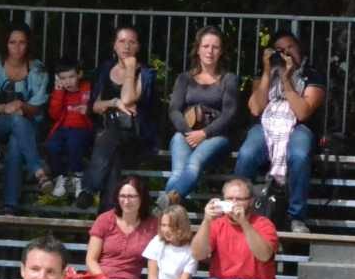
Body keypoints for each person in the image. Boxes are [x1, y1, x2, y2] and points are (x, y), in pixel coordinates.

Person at [232, 30, 326, 234]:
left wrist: (287, 80)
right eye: (280, 50)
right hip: (266, 125)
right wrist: (267, 72)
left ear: (299, 49)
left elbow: (302, 112)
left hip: (299, 126)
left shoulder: (313, 75)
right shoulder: (266, 74)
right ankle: (235, 208)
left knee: (299, 156)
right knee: (247, 153)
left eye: (290, 47)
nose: (286, 53)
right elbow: (256, 108)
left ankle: (296, 217)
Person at [172, 177, 279, 279]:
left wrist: (244, 223)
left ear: (251, 201)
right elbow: (198, 254)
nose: (234, 203)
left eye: (240, 199)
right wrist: (207, 220)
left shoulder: (263, 224)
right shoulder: (216, 223)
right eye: (229, 199)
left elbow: (264, 255)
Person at [78, 25, 160, 212]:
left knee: (109, 139)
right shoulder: (104, 70)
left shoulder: (146, 74)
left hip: (134, 136)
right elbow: (95, 106)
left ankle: (89, 189)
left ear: (138, 47)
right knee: (113, 158)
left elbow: (128, 98)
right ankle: (107, 218)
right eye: (122, 41)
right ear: (114, 45)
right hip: (107, 139)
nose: (126, 46)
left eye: (132, 42)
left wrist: (131, 69)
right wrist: (114, 102)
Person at [0, 23, 51, 213]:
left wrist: (22, 106)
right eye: (12, 42)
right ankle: (38, 171)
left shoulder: (37, 69)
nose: (17, 47)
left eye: (22, 42)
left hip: (27, 126)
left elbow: (37, 107)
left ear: (28, 44)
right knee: (16, 121)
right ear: (5, 44)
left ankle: (10, 206)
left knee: (17, 141)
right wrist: (5, 108)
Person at [162, 26, 241, 207]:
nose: (210, 51)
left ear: (221, 52)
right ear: (198, 49)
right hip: (187, 133)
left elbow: (229, 113)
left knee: (194, 164)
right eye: (206, 46)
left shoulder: (229, 79)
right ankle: (170, 211)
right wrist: (189, 132)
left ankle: (165, 208)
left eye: (215, 47)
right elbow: (174, 110)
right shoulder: (184, 79)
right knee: (177, 173)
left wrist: (204, 133)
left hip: (217, 136)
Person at [80, 175, 159, 279]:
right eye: (122, 196)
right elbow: (91, 259)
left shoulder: (153, 225)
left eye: (132, 196)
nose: (126, 201)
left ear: (142, 198)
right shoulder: (105, 219)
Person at [129, 203, 199, 279]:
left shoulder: (191, 249)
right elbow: (152, 274)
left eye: (170, 226)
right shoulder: (157, 241)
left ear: (181, 227)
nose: (166, 230)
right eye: (163, 225)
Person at [44, 58, 93, 200]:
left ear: (80, 74)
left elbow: (94, 109)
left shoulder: (88, 88)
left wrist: (88, 110)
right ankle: (61, 176)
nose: (68, 82)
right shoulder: (60, 92)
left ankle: (78, 176)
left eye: (71, 77)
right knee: (52, 145)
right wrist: (58, 93)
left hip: (83, 128)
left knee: (74, 142)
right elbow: (54, 114)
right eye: (63, 78)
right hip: (63, 128)